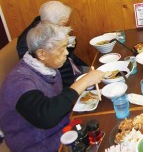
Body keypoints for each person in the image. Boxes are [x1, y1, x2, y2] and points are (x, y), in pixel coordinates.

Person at [0, 22, 104, 152]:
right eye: (61, 49)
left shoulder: (46, 66)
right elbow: (46, 117)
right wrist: (84, 81)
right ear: (42, 54)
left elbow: (59, 99)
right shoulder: (19, 81)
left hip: (61, 129)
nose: (66, 53)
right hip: (37, 144)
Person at [16, 1, 87, 87]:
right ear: (48, 22)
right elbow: (40, 70)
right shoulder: (27, 41)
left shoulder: (48, 23)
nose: (63, 27)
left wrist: (69, 44)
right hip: (62, 78)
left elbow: (65, 51)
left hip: (75, 66)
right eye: (62, 24)